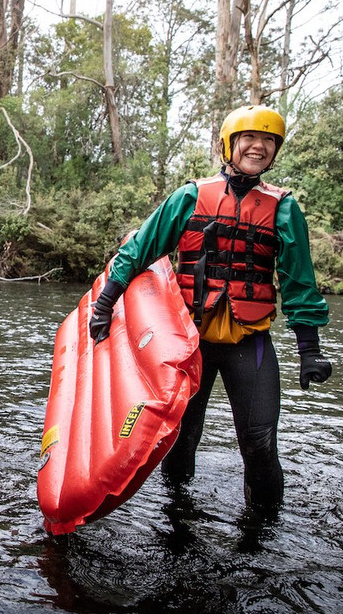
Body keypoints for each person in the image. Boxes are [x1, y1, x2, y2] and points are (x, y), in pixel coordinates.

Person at [89, 104, 332, 511]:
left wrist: (309, 350)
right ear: (228, 145)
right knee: (181, 439)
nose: (259, 147)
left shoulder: (284, 209)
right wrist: (105, 303)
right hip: (189, 343)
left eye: (268, 141)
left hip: (248, 342)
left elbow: (299, 283)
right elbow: (141, 249)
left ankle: (262, 533)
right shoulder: (189, 197)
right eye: (249, 139)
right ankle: (176, 517)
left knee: (259, 442)